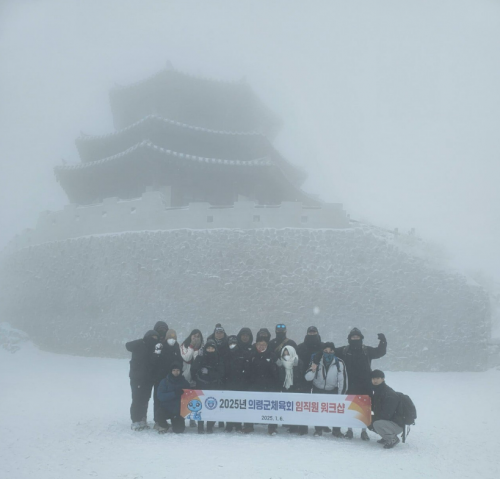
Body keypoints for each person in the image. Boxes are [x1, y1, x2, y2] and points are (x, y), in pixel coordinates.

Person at [335, 327, 387, 440]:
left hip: (365, 384)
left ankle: (364, 431)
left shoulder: (366, 350)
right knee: (350, 408)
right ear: (349, 339)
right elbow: (329, 350)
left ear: (361, 338)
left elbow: (380, 352)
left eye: (357, 337)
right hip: (349, 384)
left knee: (365, 409)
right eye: (353, 337)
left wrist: (383, 342)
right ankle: (350, 430)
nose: (355, 338)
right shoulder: (344, 350)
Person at [305, 342, 348, 437]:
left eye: (331, 351)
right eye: (326, 351)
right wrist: (313, 369)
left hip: (332, 389)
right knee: (318, 411)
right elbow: (308, 377)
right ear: (322, 351)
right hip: (318, 389)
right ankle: (318, 429)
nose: (328, 352)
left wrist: (341, 396)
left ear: (334, 351)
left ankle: (336, 430)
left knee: (335, 411)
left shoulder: (339, 363)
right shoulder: (316, 360)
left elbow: (343, 380)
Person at [125, 330, 160, 430]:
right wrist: (140, 342)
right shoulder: (140, 344)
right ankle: (135, 420)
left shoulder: (154, 348)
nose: (154, 339)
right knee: (137, 399)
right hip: (137, 377)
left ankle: (142, 419)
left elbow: (153, 363)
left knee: (145, 399)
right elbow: (128, 346)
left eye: (156, 338)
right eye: (152, 337)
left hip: (148, 378)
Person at [246, 337, 279, 435]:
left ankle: (272, 427)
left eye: (264, 345)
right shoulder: (251, 355)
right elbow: (247, 370)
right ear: (256, 345)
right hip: (254, 385)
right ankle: (248, 426)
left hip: (269, 386)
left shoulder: (273, 356)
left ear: (267, 346)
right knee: (251, 406)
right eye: (259, 345)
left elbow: (278, 370)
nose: (261, 347)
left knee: (271, 407)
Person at [191, 339, 225, 434]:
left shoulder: (218, 358)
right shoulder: (201, 357)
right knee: (200, 406)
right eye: (208, 348)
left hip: (214, 386)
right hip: (201, 385)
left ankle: (210, 426)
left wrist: (209, 372)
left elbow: (221, 373)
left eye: (212, 348)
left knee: (212, 406)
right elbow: (193, 369)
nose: (210, 350)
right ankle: (200, 426)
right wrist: (199, 358)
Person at [153, 329, 181, 431]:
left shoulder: (177, 347)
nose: (171, 340)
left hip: (173, 377)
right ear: (166, 338)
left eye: (173, 338)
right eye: (169, 338)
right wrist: (156, 354)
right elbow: (155, 363)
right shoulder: (161, 347)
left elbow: (179, 361)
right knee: (158, 399)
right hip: (160, 378)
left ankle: (175, 420)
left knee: (173, 398)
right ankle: (158, 421)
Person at [276, 346, 308, 435]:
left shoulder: (298, 362)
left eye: (288, 353)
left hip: (298, 388)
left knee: (299, 409)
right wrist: (281, 368)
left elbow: (300, 376)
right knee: (290, 409)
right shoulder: (281, 363)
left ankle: (303, 428)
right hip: (287, 389)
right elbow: (280, 377)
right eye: (284, 353)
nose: (286, 355)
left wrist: (295, 367)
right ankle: (293, 426)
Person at [369, 370, 404, 449]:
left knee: (376, 423)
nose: (375, 380)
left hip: (397, 424)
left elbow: (387, 414)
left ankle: (392, 439)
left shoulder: (388, 393)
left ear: (383, 379)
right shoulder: (378, 391)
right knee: (370, 421)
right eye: (373, 378)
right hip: (390, 422)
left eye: (378, 378)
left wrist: (373, 419)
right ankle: (386, 437)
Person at [224, 335, 250, 432]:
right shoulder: (225, 354)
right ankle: (229, 424)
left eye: (234, 343)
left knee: (239, 405)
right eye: (230, 343)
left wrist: (243, 377)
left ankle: (238, 424)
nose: (232, 345)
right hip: (228, 383)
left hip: (240, 383)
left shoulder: (243, 353)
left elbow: (247, 368)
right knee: (229, 405)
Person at [155, 361, 190, 434]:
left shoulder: (184, 382)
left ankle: (176, 423)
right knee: (159, 414)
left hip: (178, 411)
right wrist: (174, 393)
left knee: (179, 430)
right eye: (174, 370)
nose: (176, 372)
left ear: (180, 371)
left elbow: (189, 396)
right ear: (171, 371)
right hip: (166, 409)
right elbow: (160, 396)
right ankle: (164, 425)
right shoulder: (164, 382)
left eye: (177, 370)